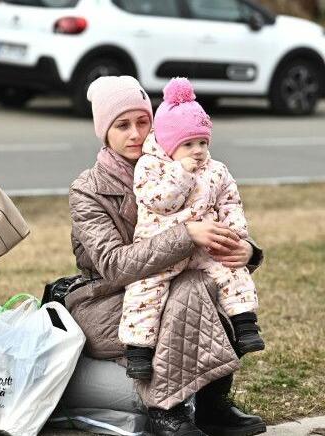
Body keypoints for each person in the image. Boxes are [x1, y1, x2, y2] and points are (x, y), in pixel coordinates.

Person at [65, 75, 266, 436]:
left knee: (210, 282)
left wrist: (246, 250)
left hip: (179, 278)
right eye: (122, 125)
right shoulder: (88, 189)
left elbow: (225, 210)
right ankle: (168, 412)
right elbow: (112, 265)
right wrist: (186, 234)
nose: (135, 134)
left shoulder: (187, 162)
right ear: (104, 132)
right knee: (190, 289)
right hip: (109, 300)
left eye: (143, 122)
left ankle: (210, 403)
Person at [120, 77, 265, 380]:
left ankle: (245, 322)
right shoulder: (152, 166)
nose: (197, 151)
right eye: (188, 144)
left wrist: (237, 235)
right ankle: (138, 350)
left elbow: (230, 201)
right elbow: (159, 201)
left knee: (230, 269)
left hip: (204, 246)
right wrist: (179, 174)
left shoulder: (215, 169)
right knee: (145, 291)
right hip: (162, 245)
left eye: (202, 142)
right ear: (170, 144)